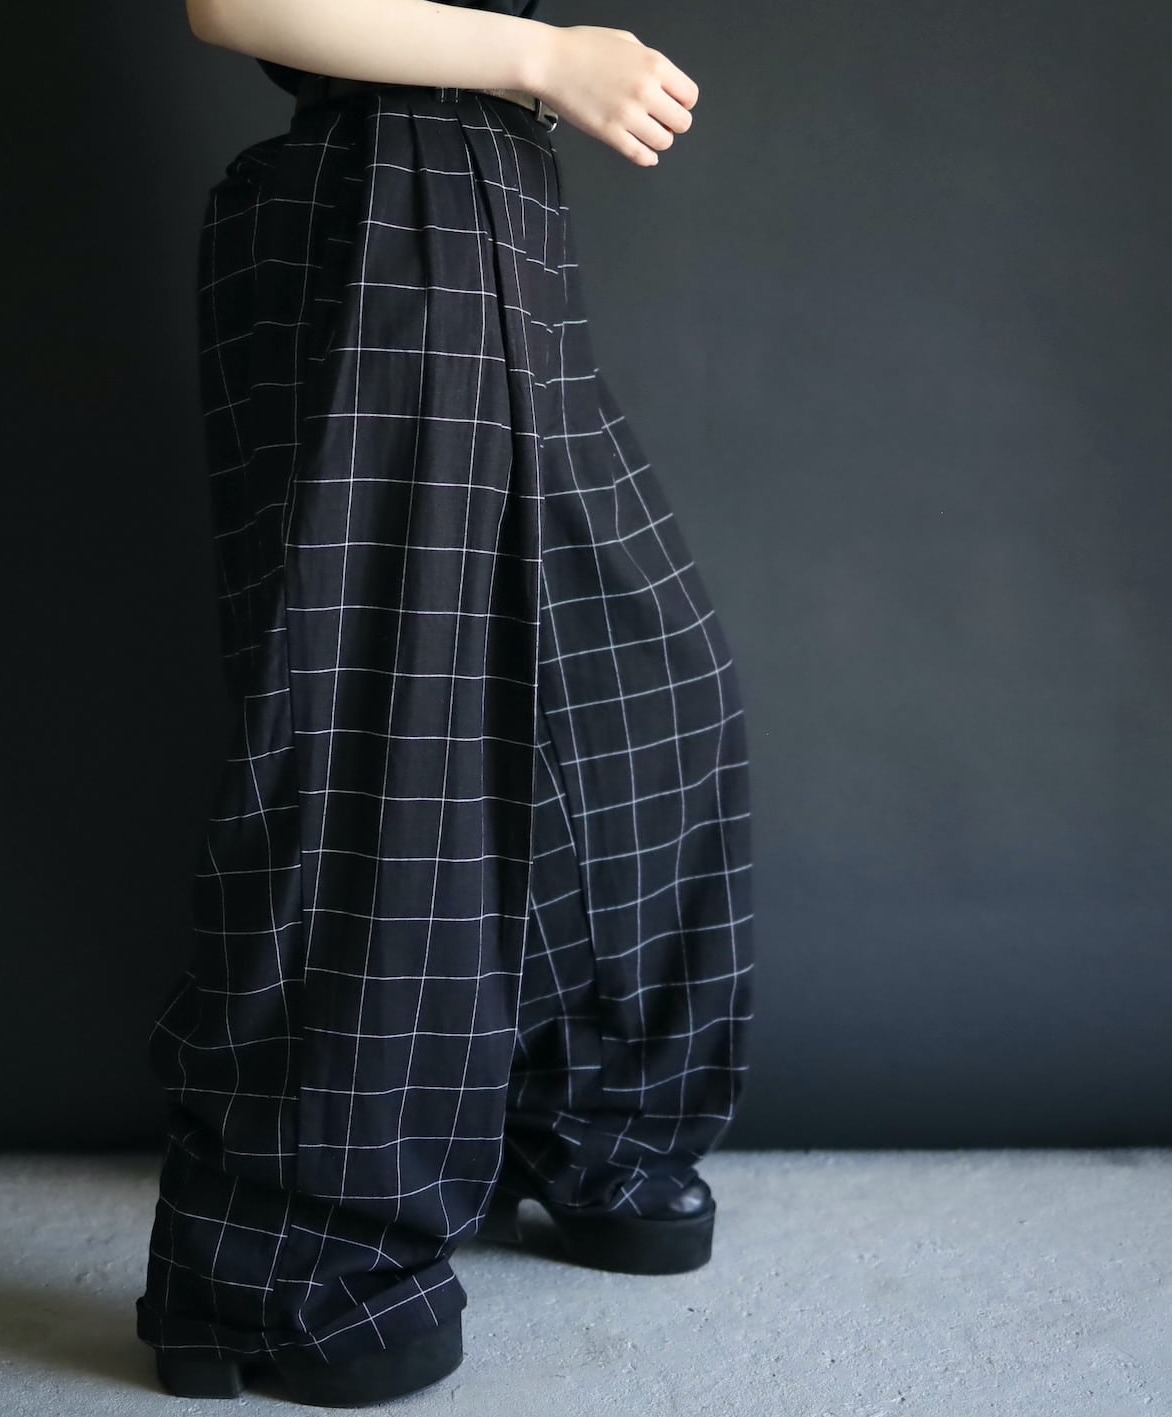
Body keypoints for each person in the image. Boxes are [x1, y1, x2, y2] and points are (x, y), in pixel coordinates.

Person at [135, 0, 755, 1405]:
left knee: (638, 687)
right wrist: (548, 58)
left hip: (486, 199)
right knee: (382, 736)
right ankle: (286, 1261)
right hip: (385, 195)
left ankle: (565, 1118)